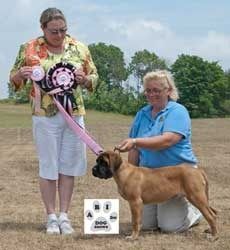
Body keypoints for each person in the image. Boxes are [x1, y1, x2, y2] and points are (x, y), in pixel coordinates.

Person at [9, 8, 98, 235]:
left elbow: (94, 77)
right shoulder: (28, 48)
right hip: (44, 115)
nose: (59, 35)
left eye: (63, 30)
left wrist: (85, 79)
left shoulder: (79, 47)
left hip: (74, 113)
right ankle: (50, 216)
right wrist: (21, 75)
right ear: (43, 29)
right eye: (54, 31)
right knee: (48, 165)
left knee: (68, 166)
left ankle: (64, 216)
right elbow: (13, 80)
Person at [118, 70, 203, 233]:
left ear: (168, 91)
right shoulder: (141, 114)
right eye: (148, 90)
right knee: (147, 226)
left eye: (156, 90)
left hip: (176, 175)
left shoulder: (178, 111)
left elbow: (167, 140)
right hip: (149, 177)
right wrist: (128, 176)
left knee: (170, 227)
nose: (151, 94)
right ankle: (166, 211)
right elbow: (134, 149)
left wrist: (136, 141)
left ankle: (193, 212)